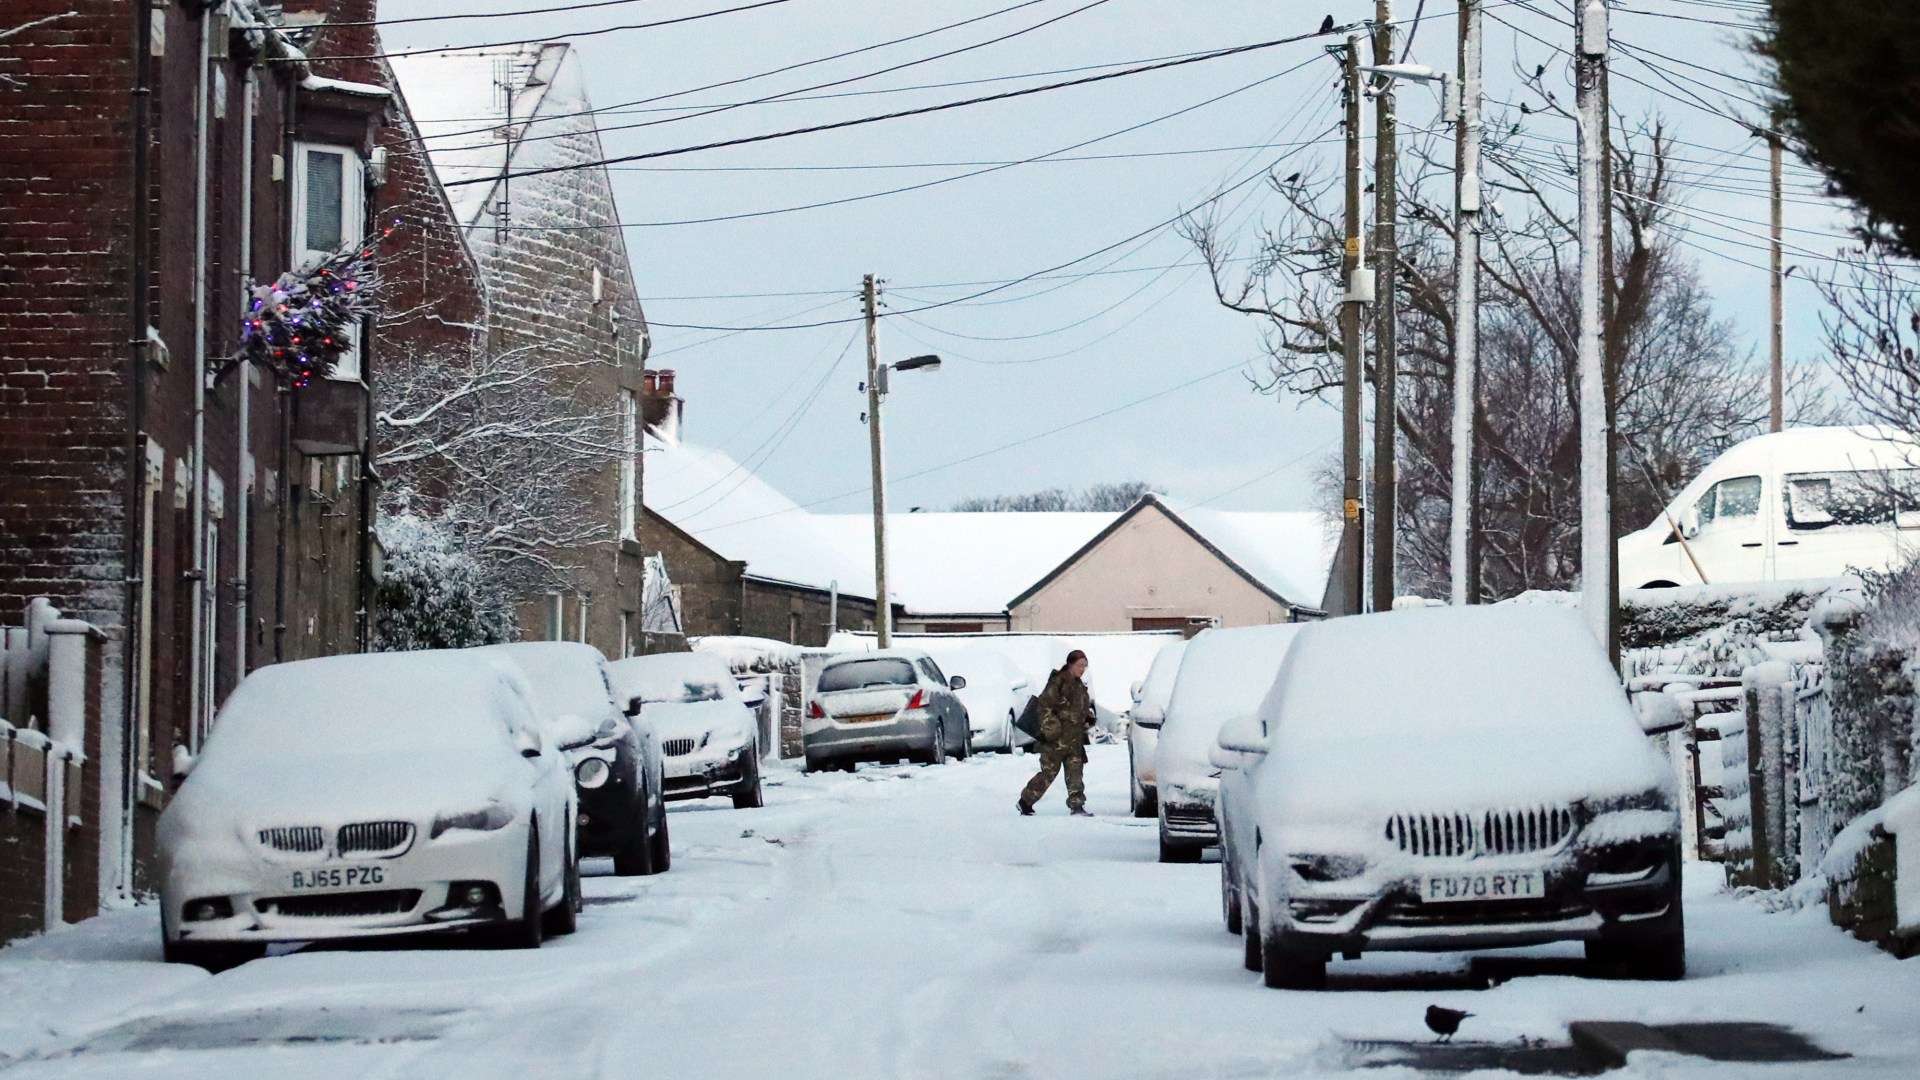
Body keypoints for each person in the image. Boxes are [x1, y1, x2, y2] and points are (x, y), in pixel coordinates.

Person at [1017, 650, 1095, 817]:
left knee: (1075, 772)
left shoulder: (1079, 685)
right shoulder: (1058, 682)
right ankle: (1025, 801)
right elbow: (1044, 706)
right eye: (1080, 665)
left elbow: (1078, 708)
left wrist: (1087, 717)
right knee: (1048, 773)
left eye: (1085, 666)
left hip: (1074, 739)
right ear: (1070, 664)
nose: (1082, 669)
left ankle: (1077, 806)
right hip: (1056, 740)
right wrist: (1052, 728)